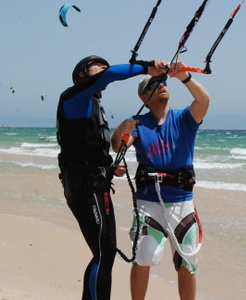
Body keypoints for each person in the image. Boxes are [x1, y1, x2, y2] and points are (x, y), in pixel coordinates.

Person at [56, 55, 167, 300]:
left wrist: (109, 169)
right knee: (102, 253)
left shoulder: (94, 106)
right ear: (82, 74)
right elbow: (110, 75)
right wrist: (147, 67)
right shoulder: (75, 97)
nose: (105, 66)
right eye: (98, 64)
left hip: (95, 186)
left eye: (106, 64)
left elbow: (86, 150)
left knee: (105, 253)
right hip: (84, 188)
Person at [111, 62, 210, 300]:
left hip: (182, 201)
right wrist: (119, 130)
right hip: (148, 202)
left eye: (164, 83)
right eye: (156, 84)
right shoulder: (137, 123)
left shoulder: (185, 118)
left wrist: (184, 77)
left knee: (187, 261)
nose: (163, 85)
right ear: (145, 95)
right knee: (144, 257)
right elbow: (117, 146)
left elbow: (204, 101)